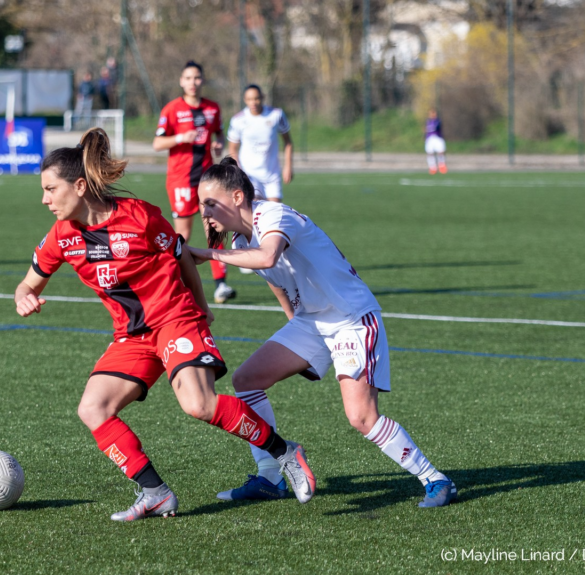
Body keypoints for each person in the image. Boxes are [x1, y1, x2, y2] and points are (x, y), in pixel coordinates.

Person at [15, 128, 312, 522]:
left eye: (51, 189)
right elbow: (29, 281)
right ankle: (155, 493)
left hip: (175, 318)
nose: (45, 199)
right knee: (93, 408)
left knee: (198, 404)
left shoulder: (139, 217)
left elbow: (183, 257)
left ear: (81, 186)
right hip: (131, 336)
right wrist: (24, 296)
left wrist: (202, 309)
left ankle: (284, 452)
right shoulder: (62, 237)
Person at [189, 158, 457, 508]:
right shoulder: (240, 242)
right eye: (200, 205)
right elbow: (277, 282)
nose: (203, 212)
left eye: (210, 203)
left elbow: (269, 257)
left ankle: (435, 479)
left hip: (351, 318)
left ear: (238, 197)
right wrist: (294, 329)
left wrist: (207, 254)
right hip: (311, 323)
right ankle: (270, 477)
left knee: (361, 417)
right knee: (247, 380)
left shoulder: (272, 215)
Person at [153, 61, 235, 303]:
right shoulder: (172, 109)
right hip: (180, 179)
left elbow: (219, 132)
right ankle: (169, 280)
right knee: (183, 234)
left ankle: (221, 284)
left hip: (208, 180)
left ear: (202, 80)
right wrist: (179, 138)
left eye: (197, 77)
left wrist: (218, 142)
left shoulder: (212, 108)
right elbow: (157, 143)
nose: (192, 82)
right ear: (181, 81)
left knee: (216, 227)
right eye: (188, 78)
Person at [227, 84, 293, 203]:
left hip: (271, 175)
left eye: (256, 98)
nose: (253, 102)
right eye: (249, 99)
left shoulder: (276, 115)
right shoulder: (238, 119)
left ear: (262, 97)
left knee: (275, 214)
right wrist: (238, 171)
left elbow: (288, 142)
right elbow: (232, 148)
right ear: (245, 100)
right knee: (256, 214)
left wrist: (288, 166)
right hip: (249, 175)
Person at [424, 108, 447, 174]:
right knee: (430, 153)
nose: (433, 115)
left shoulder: (438, 121)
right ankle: (432, 167)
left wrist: (428, 129)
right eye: (431, 113)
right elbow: (425, 130)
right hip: (429, 139)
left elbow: (435, 127)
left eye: (434, 113)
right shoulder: (427, 121)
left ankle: (441, 165)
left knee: (441, 152)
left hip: (437, 138)